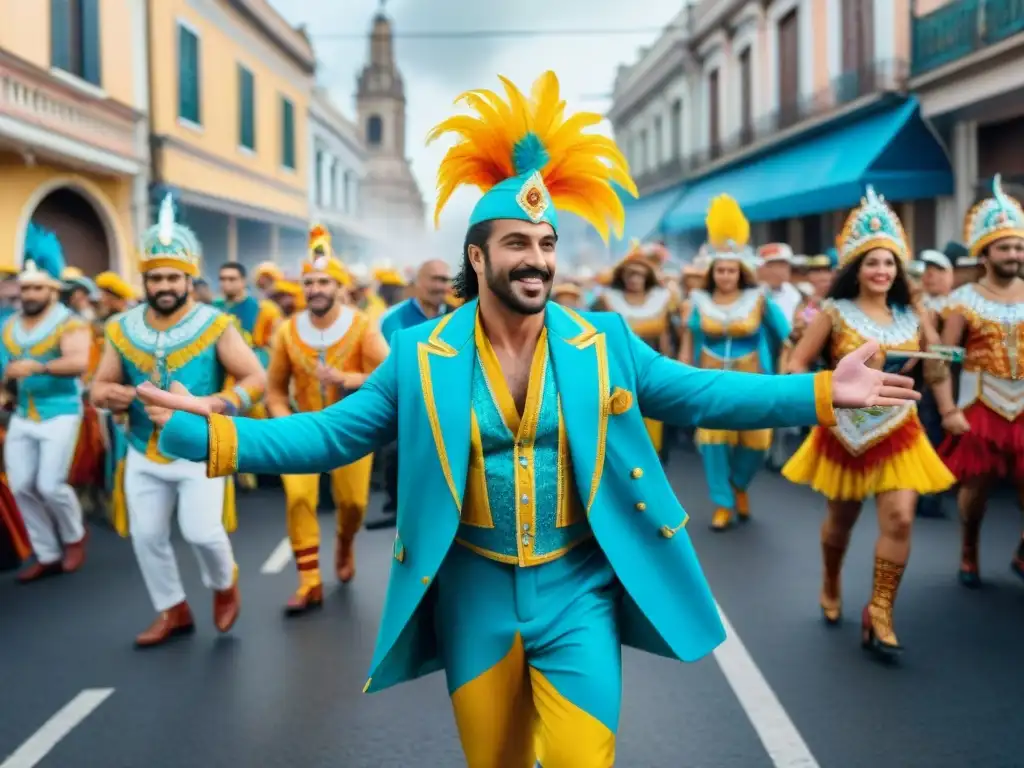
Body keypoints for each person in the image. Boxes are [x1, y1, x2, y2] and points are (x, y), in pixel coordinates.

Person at [143, 70, 919, 765]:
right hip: (474, 591)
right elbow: (325, 435)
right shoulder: (420, 356)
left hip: (578, 590)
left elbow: (700, 392)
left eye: (547, 244)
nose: (538, 259)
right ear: (477, 259)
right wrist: (199, 429)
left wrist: (819, 392)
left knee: (584, 757)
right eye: (518, 243)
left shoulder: (601, 340)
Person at [782, 186, 955, 662]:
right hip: (846, 430)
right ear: (855, 269)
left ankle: (880, 610)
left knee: (900, 517)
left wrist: (952, 407)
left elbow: (936, 365)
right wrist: (816, 390)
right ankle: (831, 579)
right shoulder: (834, 313)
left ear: (899, 269)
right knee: (841, 522)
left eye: (889, 263)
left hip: (901, 428)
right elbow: (797, 364)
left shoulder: (914, 314)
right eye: (871, 262)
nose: (881, 271)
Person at [90, 194, 265, 647]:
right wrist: (118, 395)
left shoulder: (215, 324)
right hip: (143, 449)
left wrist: (214, 404)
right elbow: (98, 387)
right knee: (147, 536)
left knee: (202, 532)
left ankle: (224, 585)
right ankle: (173, 610)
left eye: (173, 277)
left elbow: (255, 378)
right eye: (155, 278)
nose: (165, 285)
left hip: (199, 448)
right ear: (144, 281)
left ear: (189, 279)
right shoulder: (121, 328)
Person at [264, 224, 389, 613]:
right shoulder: (286, 331)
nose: (315, 289)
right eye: (309, 283)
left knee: (351, 503)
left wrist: (347, 378)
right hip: (302, 427)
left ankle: (345, 543)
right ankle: (309, 581)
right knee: (299, 498)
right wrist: (284, 421)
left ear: (338, 287)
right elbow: (273, 390)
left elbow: (390, 376)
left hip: (351, 429)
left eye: (323, 282)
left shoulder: (362, 326)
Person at [932, 175, 1024, 586]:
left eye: (1019, 246)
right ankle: (969, 546)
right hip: (980, 405)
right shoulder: (963, 301)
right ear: (985, 252)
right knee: (976, 490)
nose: (1014, 253)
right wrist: (948, 409)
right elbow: (942, 360)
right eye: (1005, 247)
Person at [679, 196, 790, 530]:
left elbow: (786, 335)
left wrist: (788, 366)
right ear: (712, 273)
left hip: (753, 375)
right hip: (711, 377)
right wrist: (684, 376)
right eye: (720, 270)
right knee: (713, 442)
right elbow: (689, 341)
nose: (726, 275)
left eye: (731, 270)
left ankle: (738, 484)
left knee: (757, 442)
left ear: (740, 272)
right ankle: (722, 503)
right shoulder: (696, 301)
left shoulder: (759, 298)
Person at [2, 223, 91, 583]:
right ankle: (47, 552)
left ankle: (73, 537)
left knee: (50, 485)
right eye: (25, 288)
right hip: (23, 413)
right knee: (21, 485)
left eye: (37, 287)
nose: (30, 293)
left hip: (61, 412)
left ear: (52, 290)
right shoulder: (8, 326)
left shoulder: (69, 322)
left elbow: (79, 363)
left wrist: (38, 366)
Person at [373, 259, 452, 529]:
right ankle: (398, 508)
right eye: (434, 279)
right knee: (397, 452)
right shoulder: (392, 319)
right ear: (417, 283)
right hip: (405, 399)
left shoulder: (460, 315)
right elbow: (384, 364)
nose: (440, 286)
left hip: (448, 401)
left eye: (445, 280)